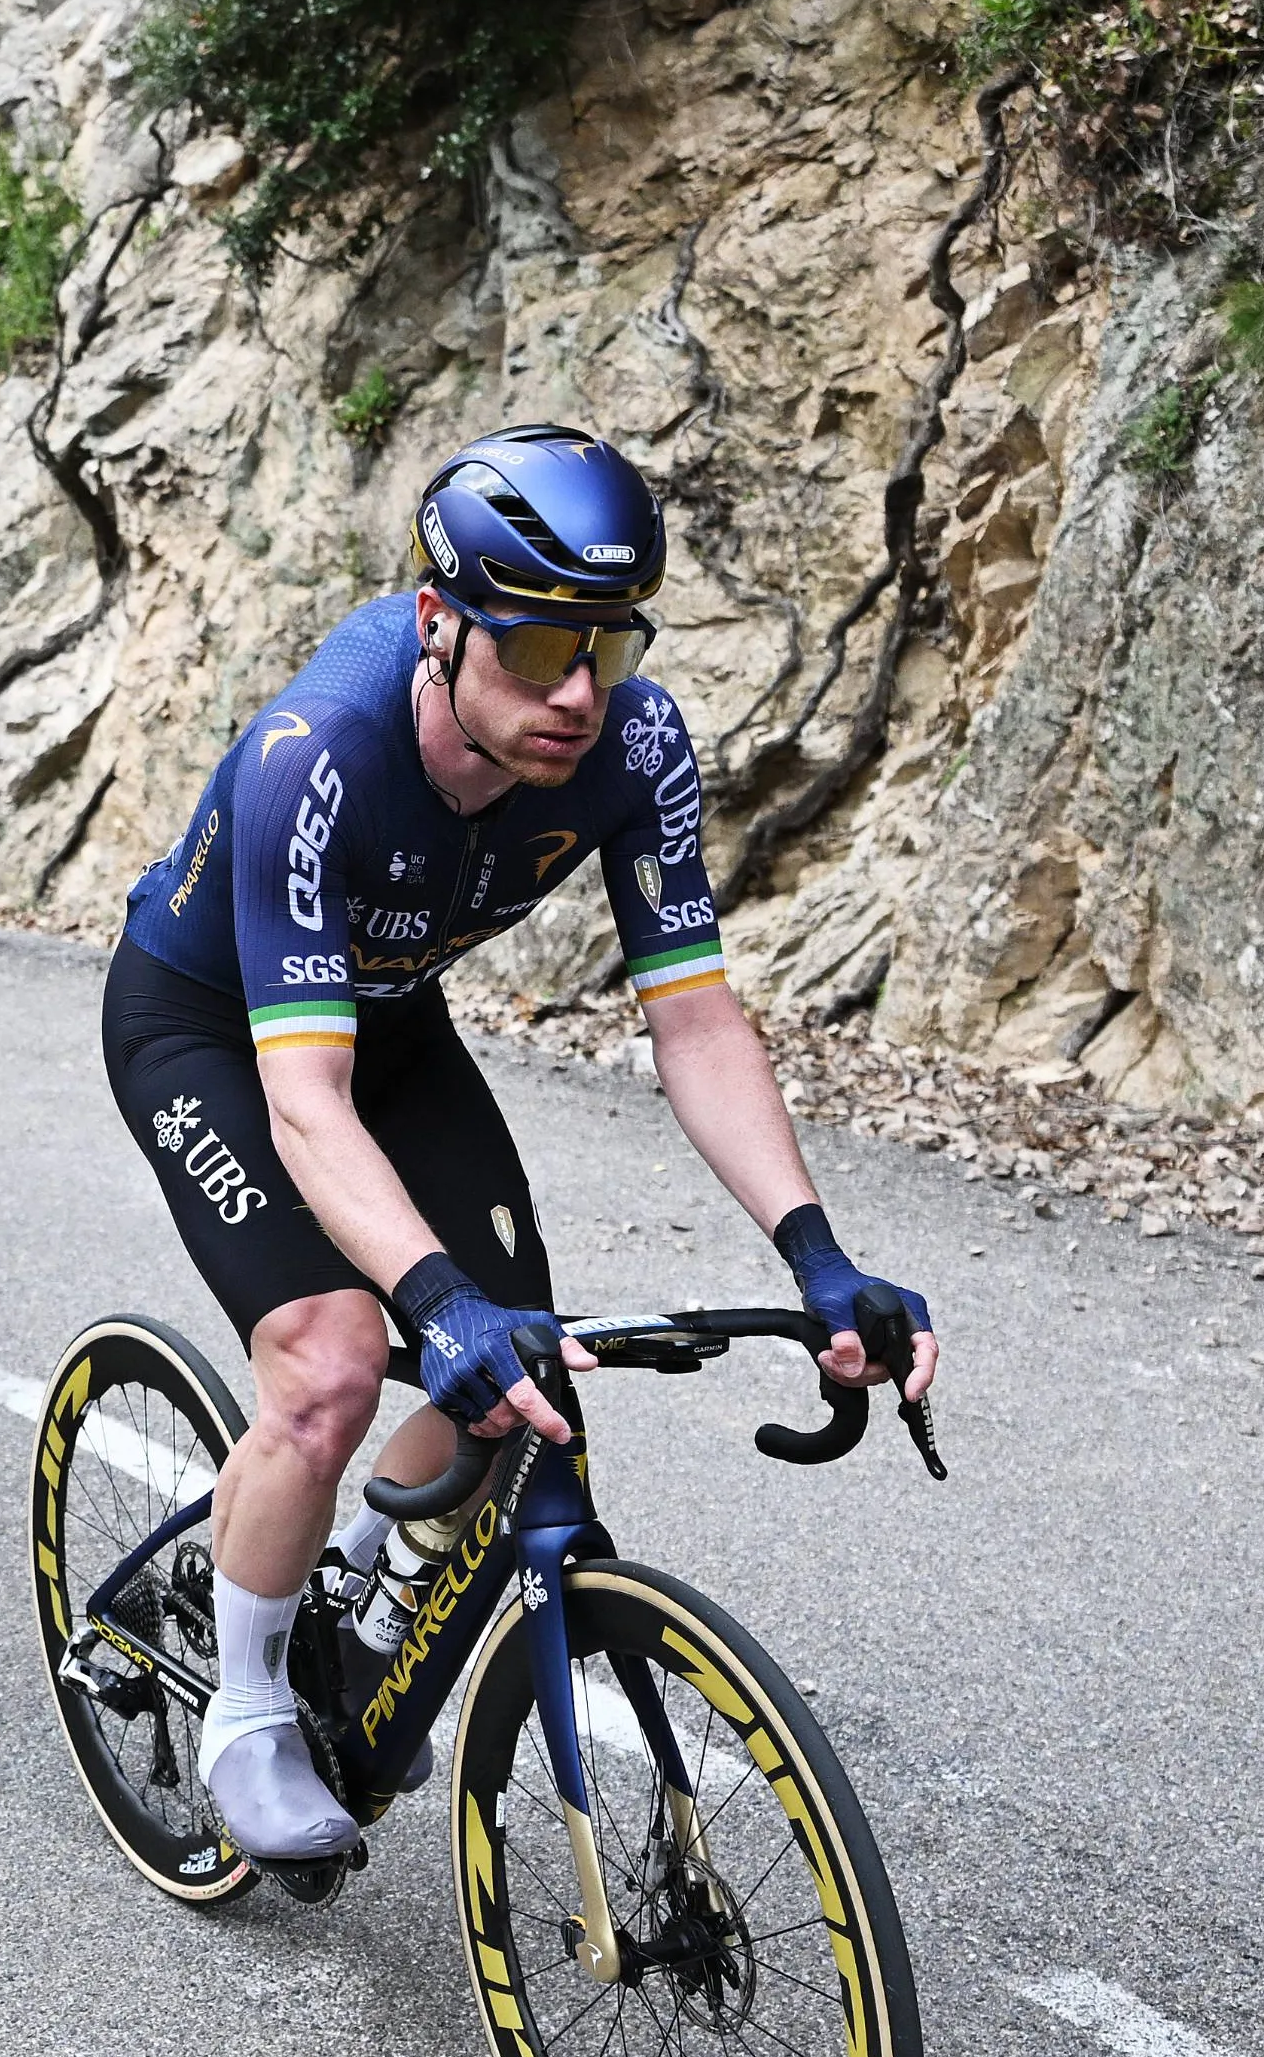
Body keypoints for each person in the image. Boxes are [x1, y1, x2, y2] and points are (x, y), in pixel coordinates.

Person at [104, 423, 944, 1864]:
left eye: (606, 649)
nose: (575, 693)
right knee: (334, 1363)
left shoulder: (639, 742)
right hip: (210, 1023)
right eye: (536, 651)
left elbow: (696, 1026)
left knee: (526, 1364)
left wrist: (818, 1255)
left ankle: (361, 1577)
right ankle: (244, 1708)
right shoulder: (316, 755)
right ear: (439, 625)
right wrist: (425, 1303)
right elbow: (303, 1102)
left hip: (389, 1013)